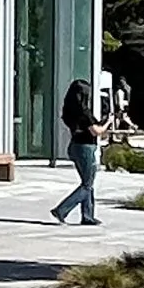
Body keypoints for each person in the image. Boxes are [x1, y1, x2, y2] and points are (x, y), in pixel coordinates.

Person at [54, 78, 104, 225]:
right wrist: (108, 122)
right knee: (87, 184)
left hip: (75, 146)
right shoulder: (85, 113)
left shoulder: (69, 112)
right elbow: (96, 131)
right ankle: (62, 209)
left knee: (87, 182)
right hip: (86, 148)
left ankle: (87, 215)